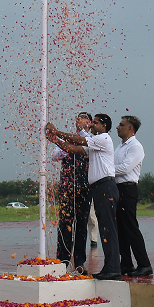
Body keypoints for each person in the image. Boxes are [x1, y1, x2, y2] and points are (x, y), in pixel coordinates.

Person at [46, 113, 121, 280]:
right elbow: (72, 149)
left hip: (104, 187)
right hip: (96, 188)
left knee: (107, 229)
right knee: (103, 229)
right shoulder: (95, 143)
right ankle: (110, 267)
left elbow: (79, 141)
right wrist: (53, 139)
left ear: (103, 126)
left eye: (94, 122)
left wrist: (56, 132)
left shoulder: (102, 139)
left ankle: (113, 267)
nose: (92, 124)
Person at [51, 112, 92, 271]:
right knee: (64, 224)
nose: (80, 120)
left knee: (81, 225)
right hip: (67, 189)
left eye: (84, 118)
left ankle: (79, 262)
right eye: (78, 117)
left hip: (84, 188)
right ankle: (63, 261)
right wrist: (68, 146)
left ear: (89, 123)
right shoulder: (67, 139)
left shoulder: (91, 140)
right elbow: (55, 155)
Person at [114, 116, 153, 277]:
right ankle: (126, 264)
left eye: (122, 125)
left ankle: (144, 264)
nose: (118, 127)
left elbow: (125, 168)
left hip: (127, 189)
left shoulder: (135, 146)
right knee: (120, 229)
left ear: (131, 129)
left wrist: (105, 169)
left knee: (130, 227)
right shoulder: (120, 147)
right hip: (118, 188)